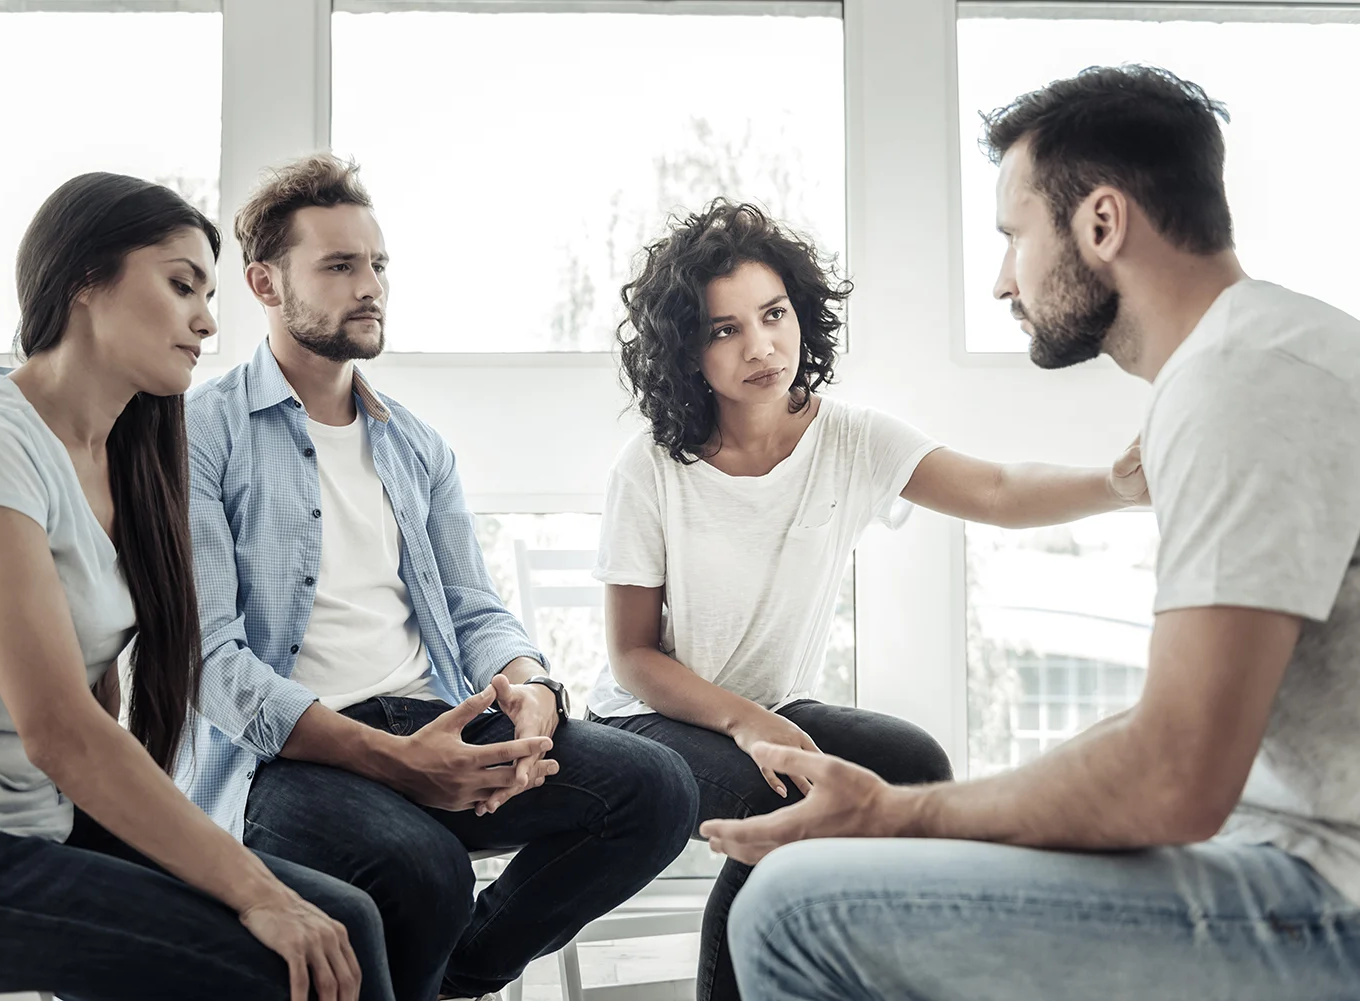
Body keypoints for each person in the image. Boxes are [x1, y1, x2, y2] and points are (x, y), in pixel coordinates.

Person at [708, 65, 1360, 1001]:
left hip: (1328, 897)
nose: (1004, 278)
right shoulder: (1265, 353)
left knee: (792, 907)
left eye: (1015, 235)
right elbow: (1187, 740)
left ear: (1101, 223)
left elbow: (1176, 776)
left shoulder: (1242, 385)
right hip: (1283, 845)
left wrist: (901, 815)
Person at [586, 196, 1152, 1001]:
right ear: (687, 349)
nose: (763, 345)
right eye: (725, 329)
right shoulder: (649, 468)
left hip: (774, 710)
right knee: (782, 791)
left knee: (912, 762)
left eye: (774, 314)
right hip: (649, 723)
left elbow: (993, 488)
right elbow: (632, 655)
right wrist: (747, 721)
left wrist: (1114, 486)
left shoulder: (848, 439)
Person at [177, 153, 700, 1001]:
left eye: (378, 264)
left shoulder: (415, 444)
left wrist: (534, 687)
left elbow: (472, 607)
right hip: (285, 756)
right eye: (340, 265)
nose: (370, 285)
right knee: (422, 869)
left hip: (435, 719)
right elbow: (209, 661)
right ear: (265, 284)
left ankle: (451, 980)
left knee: (655, 789)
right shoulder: (201, 434)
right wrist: (393, 762)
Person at [0, 173, 389, 1001]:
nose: (207, 321)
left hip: (35, 824)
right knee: (279, 959)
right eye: (181, 285)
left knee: (345, 918)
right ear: (83, 280)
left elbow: (101, 704)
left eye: (209, 295)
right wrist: (256, 892)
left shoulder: (125, 458)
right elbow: (63, 730)